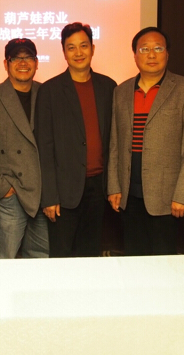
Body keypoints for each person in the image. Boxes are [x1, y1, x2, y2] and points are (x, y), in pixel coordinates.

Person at [107, 27, 184, 255]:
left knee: (164, 263)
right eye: (144, 49)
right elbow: (115, 144)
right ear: (135, 55)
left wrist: (183, 195)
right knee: (133, 260)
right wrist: (114, 186)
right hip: (128, 195)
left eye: (158, 48)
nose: (151, 54)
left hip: (168, 198)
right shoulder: (121, 91)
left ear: (167, 53)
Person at [35, 22, 116, 257]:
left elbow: (115, 141)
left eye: (83, 46)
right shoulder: (50, 91)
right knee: (61, 256)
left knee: (91, 254)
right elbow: (44, 148)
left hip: (99, 188)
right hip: (63, 192)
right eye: (71, 47)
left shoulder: (109, 87)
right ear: (63, 52)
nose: (78, 52)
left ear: (93, 48)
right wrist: (49, 197)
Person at [0, 38, 48, 258]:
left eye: (28, 57)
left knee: (40, 259)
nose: (23, 63)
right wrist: (2, 189)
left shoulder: (46, 93)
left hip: (43, 195)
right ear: (6, 63)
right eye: (16, 58)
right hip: (9, 196)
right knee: (3, 260)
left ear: (36, 63)